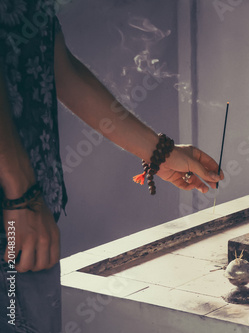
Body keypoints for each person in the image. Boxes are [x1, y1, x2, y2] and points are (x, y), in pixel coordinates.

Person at [0, 1, 223, 332]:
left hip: (30, 216)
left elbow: (60, 68)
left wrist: (159, 152)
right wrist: (21, 194)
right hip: (17, 210)